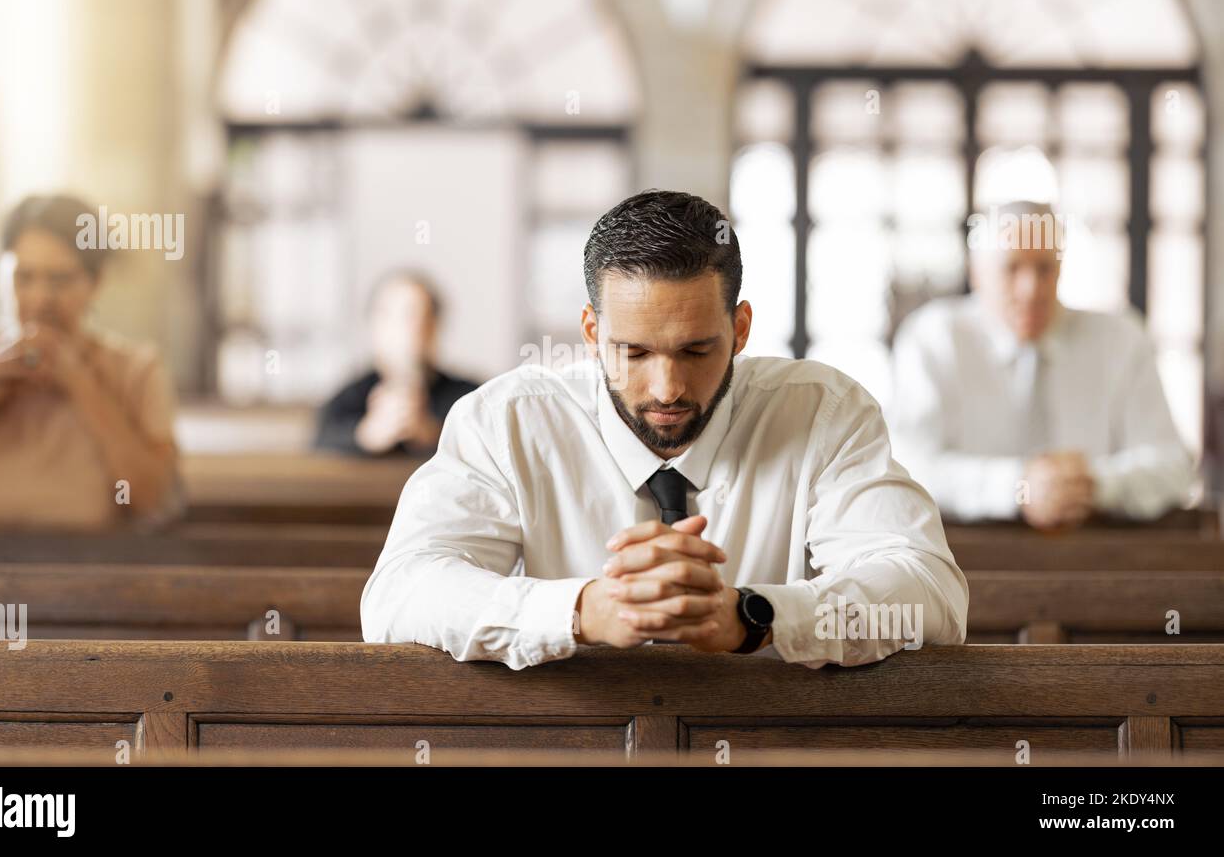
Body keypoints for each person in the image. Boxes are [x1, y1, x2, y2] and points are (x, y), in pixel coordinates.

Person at [361, 190, 967, 670]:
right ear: (593, 333)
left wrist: (756, 616)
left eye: (697, 350)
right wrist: (580, 610)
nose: (666, 388)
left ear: (742, 328)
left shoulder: (823, 412)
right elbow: (398, 597)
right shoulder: (506, 422)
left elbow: (929, 594)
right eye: (635, 351)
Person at [889, 201, 1195, 529]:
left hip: (1101, 553)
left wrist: (1095, 486)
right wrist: (1018, 488)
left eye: (1044, 269)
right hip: (965, 559)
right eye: (1012, 268)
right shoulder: (934, 339)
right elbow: (908, 467)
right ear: (976, 273)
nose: (1031, 289)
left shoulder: (1122, 339)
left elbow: (1174, 466)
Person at [0, 194, 182, 530]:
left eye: (60, 280)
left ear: (96, 282)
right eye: (24, 278)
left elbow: (153, 501)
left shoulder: (135, 370)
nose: (41, 298)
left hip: (94, 576)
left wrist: (80, 383)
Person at [314, 270, 477, 457]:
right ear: (373, 326)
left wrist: (431, 435)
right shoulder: (349, 397)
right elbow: (317, 446)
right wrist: (367, 436)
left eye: (417, 316)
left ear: (434, 326)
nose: (407, 328)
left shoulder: (469, 398)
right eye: (390, 315)